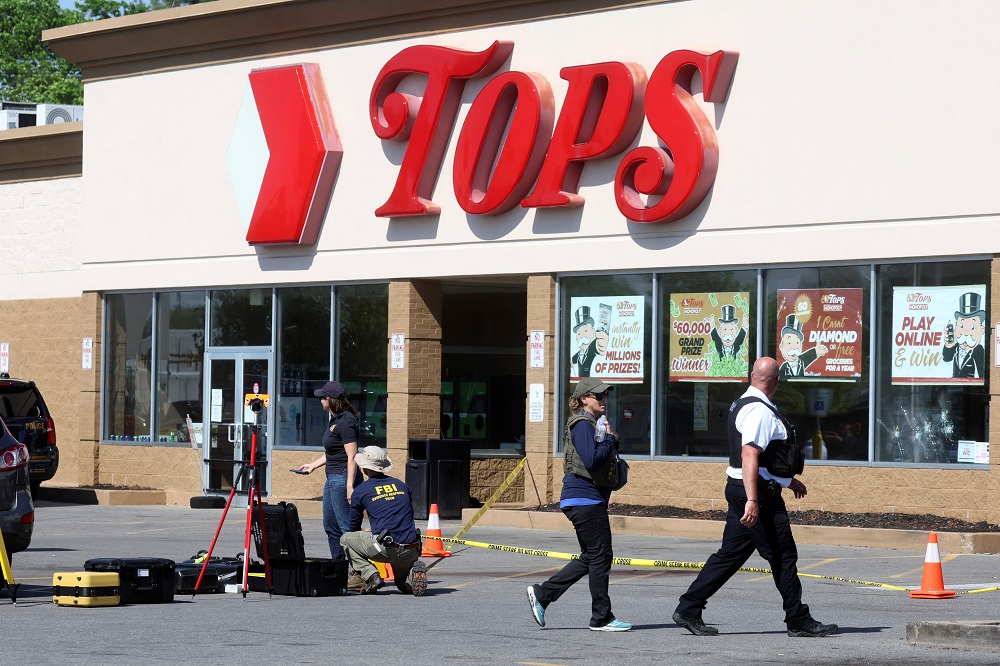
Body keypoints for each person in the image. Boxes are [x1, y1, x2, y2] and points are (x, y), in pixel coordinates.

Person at [673, 357, 838, 638]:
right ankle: (798, 620)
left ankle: (689, 608)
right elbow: (749, 454)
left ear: (752, 376)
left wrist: (787, 480)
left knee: (730, 555)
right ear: (776, 381)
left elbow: (761, 461)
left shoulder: (744, 402)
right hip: (756, 495)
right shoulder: (760, 411)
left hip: (746, 488)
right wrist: (753, 500)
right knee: (783, 556)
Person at [525, 377, 631, 632]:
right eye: (598, 396)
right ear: (585, 399)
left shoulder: (591, 424)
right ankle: (601, 618)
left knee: (591, 556)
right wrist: (608, 439)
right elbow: (592, 460)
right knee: (602, 556)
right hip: (585, 499)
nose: (604, 400)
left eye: (605, 396)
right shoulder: (583, 424)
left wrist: (609, 439)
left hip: (585, 499)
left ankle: (543, 594)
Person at [340, 446, 427, 595]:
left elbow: (353, 526)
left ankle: (371, 575)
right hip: (411, 548)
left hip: (386, 547)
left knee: (346, 539)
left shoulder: (361, 490)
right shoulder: (402, 485)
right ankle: (413, 576)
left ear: (365, 468)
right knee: (401, 584)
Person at [298, 380, 362, 562]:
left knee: (346, 527)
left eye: (322, 397)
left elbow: (352, 456)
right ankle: (339, 565)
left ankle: (361, 570)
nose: (320, 401)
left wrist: (350, 486)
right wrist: (313, 465)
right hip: (333, 478)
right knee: (330, 524)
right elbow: (333, 452)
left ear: (330, 400)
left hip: (342, 478)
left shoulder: (346, 422)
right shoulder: (336, 420)